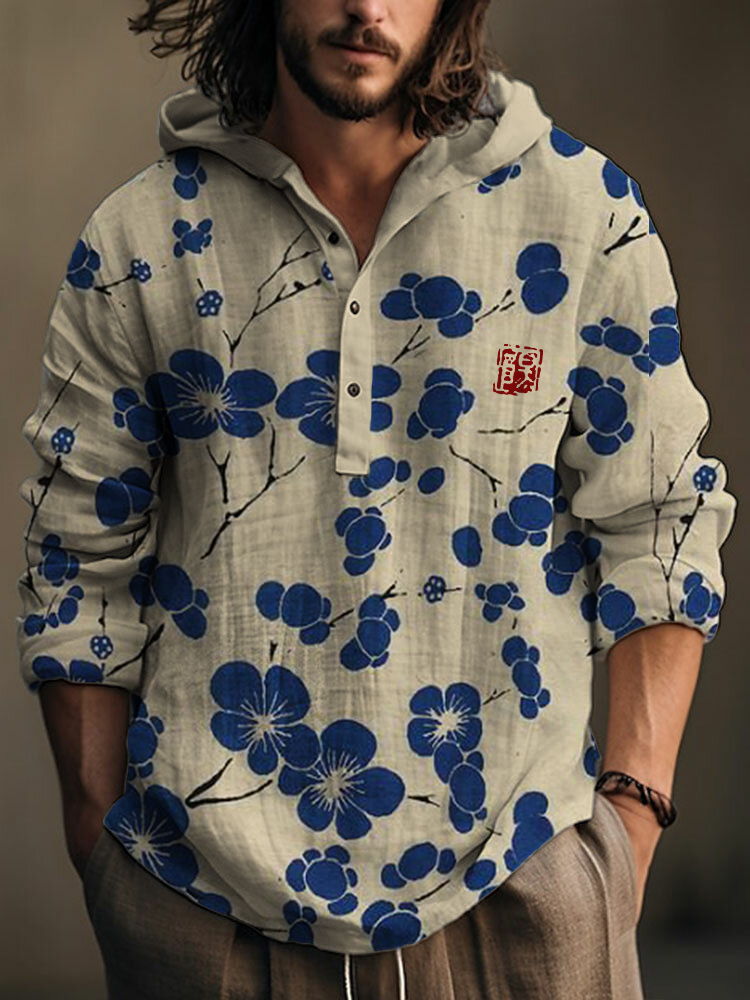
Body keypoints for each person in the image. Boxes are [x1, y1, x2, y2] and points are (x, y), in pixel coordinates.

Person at [15, 1, 738, 998]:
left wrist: (628, 829)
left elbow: (660, 522)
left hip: (521, 897)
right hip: (205, 910)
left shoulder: (580, 214)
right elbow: (77, 553)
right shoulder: (142, 237)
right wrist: (101, 844)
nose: (366, 6)